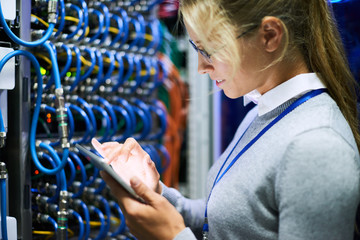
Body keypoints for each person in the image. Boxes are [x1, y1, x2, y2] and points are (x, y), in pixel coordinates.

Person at [92, 0, 360, 239]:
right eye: (195, 48)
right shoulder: (265, 112)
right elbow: (223, 221)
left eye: (209, 50)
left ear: (270, 35)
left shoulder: (318, 147)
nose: (200, 67)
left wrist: (172, 237)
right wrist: (156, 192)